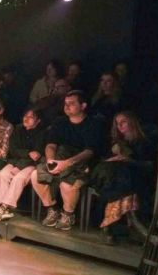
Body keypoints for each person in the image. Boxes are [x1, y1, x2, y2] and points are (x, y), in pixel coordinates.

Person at [31, 90, 104, 230]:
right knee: (35, 175)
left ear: (83, 106)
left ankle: (68, 214)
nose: (67, 106)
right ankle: (52, 208)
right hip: (60, 158)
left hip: (82, 163)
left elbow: (89, 151)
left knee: (67, 184)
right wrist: (51, 160)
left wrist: (67, 163)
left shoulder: (93, 124)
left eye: (72, 103)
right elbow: (51, 144)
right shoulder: (60, 122)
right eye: (65, 103)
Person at [89, 112, 157, 244]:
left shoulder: (144, 142)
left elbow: (150, 165)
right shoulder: (116, 142)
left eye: (123, 122)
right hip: (113, 178)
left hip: (136, 177)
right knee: (118, 181)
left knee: (123, 186)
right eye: (117, 123)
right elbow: (103, 161)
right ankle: (128, 226)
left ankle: (112, 227)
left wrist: (129, 160)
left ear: (132, 122)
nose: (120, 126)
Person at [0, 108, 47, 222]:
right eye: (25, 116)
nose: (26, 119)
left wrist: (20, 165)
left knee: (19, 178)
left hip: (31, 164)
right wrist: (27, 153)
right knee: (3, 173)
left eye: (31, 117)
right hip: (15, 161)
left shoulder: (42, 133)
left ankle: (3, 207)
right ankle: (5, 210)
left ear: (38, 121)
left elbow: (36, 156)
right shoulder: (18, 129)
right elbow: (13, 150)